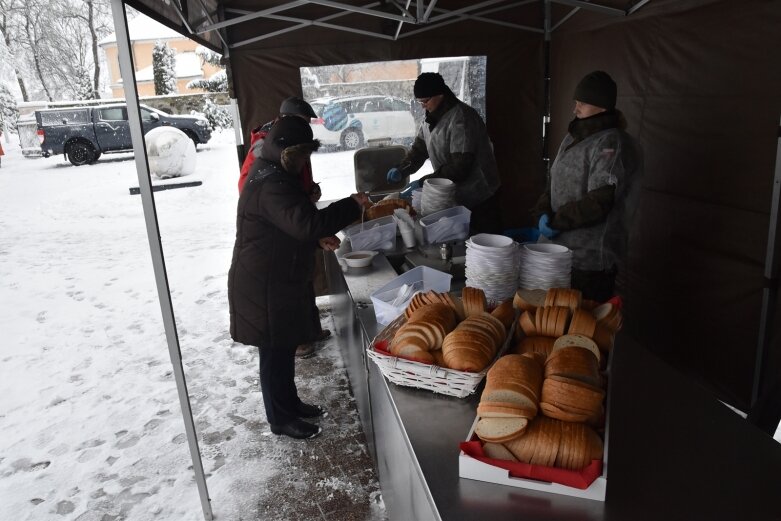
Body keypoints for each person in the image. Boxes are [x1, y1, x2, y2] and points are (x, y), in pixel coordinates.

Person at [228, 116, 369, 440]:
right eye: (302, 155)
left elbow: (291, 223)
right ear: (285, 150)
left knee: (283, 345)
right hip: (262, 281)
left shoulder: (273, 171)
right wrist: (350, 205)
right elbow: (305, 223)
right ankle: (280, 418)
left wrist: (314, 237)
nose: (305, 162)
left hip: (273, 276)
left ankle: (290, 404)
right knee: (273, 354)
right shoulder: (271, 182)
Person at [532, 70, 643, 302]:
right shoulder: (574, 136)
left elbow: (600, 201)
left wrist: (556, 221)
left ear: (601, 107)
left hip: (588, 261)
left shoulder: (611, 143)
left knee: (581, 326)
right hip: (558, 253)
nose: (575, 109)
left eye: (582, 103)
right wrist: (543, 210)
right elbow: (553, 180)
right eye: (575, 102)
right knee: (551, 321)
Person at [238, 97, 331, 358]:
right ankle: (298, 339)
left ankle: (310, 329)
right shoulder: (266, 143)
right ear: (285, 118)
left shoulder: (293, 137)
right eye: (301, 122)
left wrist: (307, 191)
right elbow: (249, 185)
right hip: (280, 220)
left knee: (305, 276)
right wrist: (288, 204)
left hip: (294, 209)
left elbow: (295, 174)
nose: (305, 128)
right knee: (291, 284)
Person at [386, 72, 502, 234]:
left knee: (484, 242)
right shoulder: (430, 120)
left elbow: (460, 167)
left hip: (480, 194)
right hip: (454, 193)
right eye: (420, 101)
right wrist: (402, 168)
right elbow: (419, 150)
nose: (422, 105)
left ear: (440, 94)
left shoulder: (461, 119)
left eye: (425, 101)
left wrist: (424, 183)